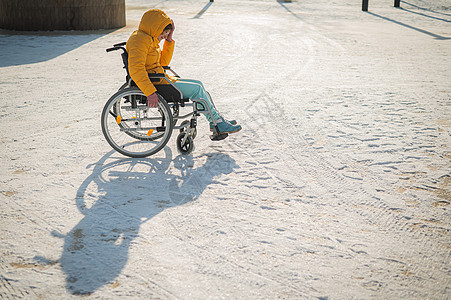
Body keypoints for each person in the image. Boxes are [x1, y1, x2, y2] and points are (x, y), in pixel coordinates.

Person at [126, 9, 242, 135]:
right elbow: (136, 70)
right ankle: (217, 123)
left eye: (164, 36)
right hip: (156, 84)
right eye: (162, 35)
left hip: (160, 79)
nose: (162, 39)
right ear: (154, 28)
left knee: (199, 84)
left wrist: (169, 40)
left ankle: (216, 119)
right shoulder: (140, 41)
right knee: (196, 89)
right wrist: (150, 93)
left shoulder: (149, 39)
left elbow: (162, 63)